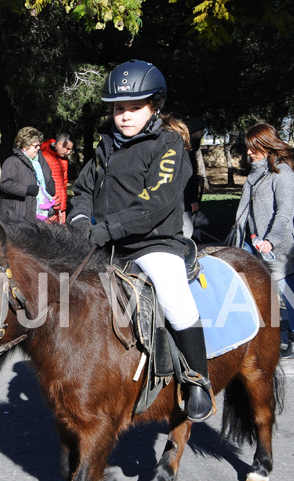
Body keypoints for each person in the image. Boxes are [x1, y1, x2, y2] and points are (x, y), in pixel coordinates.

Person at [68, 59, 215, 422]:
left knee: (174, 296)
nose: (125, 115)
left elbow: (155, 203)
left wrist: (104, 229)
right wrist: (81, 220)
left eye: (135, 107)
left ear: (155, 106)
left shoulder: (168, 145)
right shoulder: (105, 146)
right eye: (119, 108)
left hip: (153, 244)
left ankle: (198, 379)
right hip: (107, 245)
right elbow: (83, 189)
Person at [232, 123, 294, 359]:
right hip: (250, 241)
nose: (249, 153)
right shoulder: (256, 172)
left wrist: (270, 241)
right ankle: (255, 337)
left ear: (266, 145)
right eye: (248, 148)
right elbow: (247, 209)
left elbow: (285, 213)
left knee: (286, 291)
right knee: (247, 289)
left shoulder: (283, 174)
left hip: (276, 244)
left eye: (253, 148)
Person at [0, 127, 56, 223]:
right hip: (18, 214)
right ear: (25, 146)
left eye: (39, 145)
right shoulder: (13, 161)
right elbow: (5, 184)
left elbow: (49, 176)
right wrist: (26, 189)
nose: (38, 148)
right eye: (36, 145)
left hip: (40, 212)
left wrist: (50, 187)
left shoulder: (41, 161)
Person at [39, 133, 74, 223]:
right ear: (59, 145)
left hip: (61, 204)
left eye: (71, 149)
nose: (69, 152)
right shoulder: (44, 156)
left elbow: (64, 182)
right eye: (68, 149)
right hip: (49, 204)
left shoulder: (64, 160)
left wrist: (64, 202)